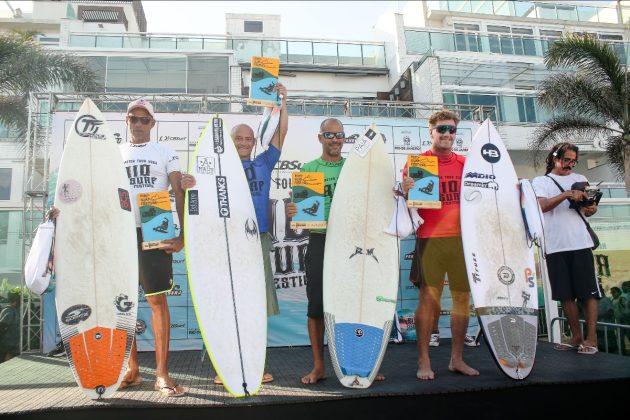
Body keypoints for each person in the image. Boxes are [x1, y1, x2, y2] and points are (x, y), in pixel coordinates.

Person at [181, 83, 288, 384]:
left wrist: (283, 101)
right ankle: (225, 366)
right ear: (230, 142)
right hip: (226, 241)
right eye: (237, 138)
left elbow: (281, 134)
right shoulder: (216, 167)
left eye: (247, 139)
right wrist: (189, 182)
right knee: (227, 301)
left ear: (254, 143)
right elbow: (197, 196)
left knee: (255, 304)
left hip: (257, 238)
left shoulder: (263, 163)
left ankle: (256, 365)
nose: (243, 142)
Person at [286, 118, 386, 385]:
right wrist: (293, 212)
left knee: (356, 303)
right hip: (320, 241)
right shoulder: (309, 169)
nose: (335, 139)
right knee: (316, 306)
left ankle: (361, 363)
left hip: (352, 243)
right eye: (329, 135)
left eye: (339, 135)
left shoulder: (356, 167)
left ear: (344, 139)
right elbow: (300, 215)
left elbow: (378, 195)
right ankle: (319, 366)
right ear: (320, 138)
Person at [401, 109, 479, 380]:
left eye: (452, 130)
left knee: (461, 299)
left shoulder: (466, 164)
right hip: (429, 240)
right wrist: (406, 187)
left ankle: (456, 359)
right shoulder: (418, 162)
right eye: (442, 129)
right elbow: (407, 200)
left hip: (462, 242)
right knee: (427, 300)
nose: (447, 134)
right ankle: (424, 361)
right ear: (431, 131)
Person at [119, 98, 186, 396]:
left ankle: (161, 374)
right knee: (124, 303)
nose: (138, 123)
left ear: (153, 124)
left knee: (158, 302)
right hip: (120, 231)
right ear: (126, 121)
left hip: (154, 227)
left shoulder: (166, 152)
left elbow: (179, 191)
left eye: (144, 119)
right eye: (133, 118)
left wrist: (183, 234)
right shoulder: (114, 153)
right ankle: (131, 370)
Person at [532, 142, 600, 355]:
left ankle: (592, 338)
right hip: (554, 244)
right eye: (566, 160)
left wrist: (591, 207)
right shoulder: (541, 181)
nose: (569, 165)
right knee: (565, 293)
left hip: (580, 242)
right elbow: (541, 207)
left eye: (573, 161)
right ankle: (576, 336)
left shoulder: (580, 179)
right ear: (554, 158)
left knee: (588, 292)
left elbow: (589, 210)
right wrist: (566, 195)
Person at [0, 288, 21, 362]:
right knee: (6, 362)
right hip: (7, 344)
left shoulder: (14, 310)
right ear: (15, 301)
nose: (21, 303)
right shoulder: (8, 310)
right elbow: (2, 326)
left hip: (12, 343)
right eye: (19, 300)